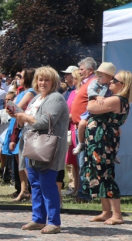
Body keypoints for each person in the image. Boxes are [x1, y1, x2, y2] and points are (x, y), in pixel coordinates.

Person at [8, 66, 69, 234]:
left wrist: (25, 117)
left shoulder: (55, 98)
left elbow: (44, 122)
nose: (42, 83)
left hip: (48, 148)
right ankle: (38, 219)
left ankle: (54, 222)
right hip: (33, 146)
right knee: (35, 184)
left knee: (48, 185)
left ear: (54, 82)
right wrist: (17, 114)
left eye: (46, 80)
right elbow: (29, 120)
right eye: (40, 79)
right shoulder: (37, 98)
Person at [81, 70, 130, 225]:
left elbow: (91, 107)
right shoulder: (117, 99)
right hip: (99, 140)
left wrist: (93, 95)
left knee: (106, 175)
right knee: (99, 173)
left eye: (114, 80)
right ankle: (106, 211)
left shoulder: (117, 99)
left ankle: (117, 214)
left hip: (103, 141)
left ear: (123, 85)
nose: (110, 82)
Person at [4, 68, 36, 202]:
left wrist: (10, 106)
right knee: (19, 161)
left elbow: (16, 108)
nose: (18, 78)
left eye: (21, 76)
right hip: (15, 124)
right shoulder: (22, 91)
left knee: (24, 160)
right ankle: (24, 190)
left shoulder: (30, 92)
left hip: (22, 125)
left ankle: (32, 191)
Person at [70, 57, 98, 203]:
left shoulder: (93, 83)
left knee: (84, 162)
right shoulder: (86, 83)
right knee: (81, 161)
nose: (79, 72)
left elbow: (92, 103)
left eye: (81, 69)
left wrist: (85, 119)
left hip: (85, 127)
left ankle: (85, 194)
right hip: (78, 127)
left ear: (90, 70)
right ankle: (82, 192)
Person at [72, 63, 115, 156]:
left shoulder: (112, 86)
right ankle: (81, 143)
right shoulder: (95, 83)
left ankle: (114, 150)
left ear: (109, 77)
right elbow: (90, 90)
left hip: (105, 114)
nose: (98, 78)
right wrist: (97, 96)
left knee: (116, 130)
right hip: (92, 112)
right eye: (97, 75)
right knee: (82, 123)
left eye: (101, 76)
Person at [63, 69, 82, 196]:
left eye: (75, 78)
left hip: (77, 127)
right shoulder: (72, 92)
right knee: (72, 161)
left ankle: (80, 188)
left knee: (79, 161)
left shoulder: (80, 93)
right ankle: (74, 187)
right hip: (70, 127)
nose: (73, 80)